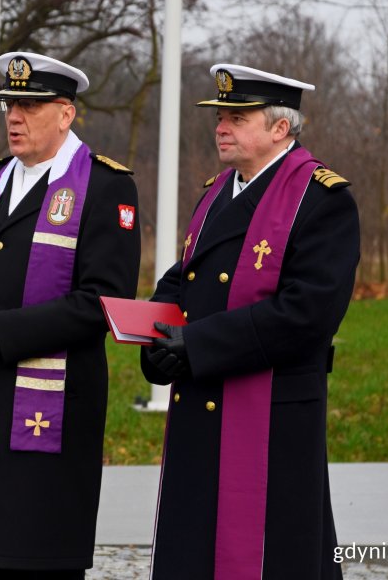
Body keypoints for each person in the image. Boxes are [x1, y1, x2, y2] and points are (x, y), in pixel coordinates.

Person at [141, 64, 359, 579]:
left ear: (280, 128)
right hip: (201, 402)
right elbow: (184, 275)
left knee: (274, 556)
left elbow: (307, 315)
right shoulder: (221, 190)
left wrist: (196, 343)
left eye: (237, 116)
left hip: (272, 413)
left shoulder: (322, 198)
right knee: (194, 550)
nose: (220, 126)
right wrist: (152, 328)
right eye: (220, 115)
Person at [0, 52, 141, 578]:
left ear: (66, 114)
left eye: (29, 105)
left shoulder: (104, 185)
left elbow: (103, 299)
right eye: (9, 104)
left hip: (52, 418)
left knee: (40, 563)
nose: (14, 116)